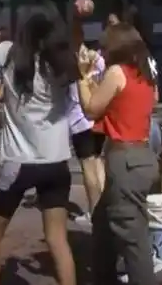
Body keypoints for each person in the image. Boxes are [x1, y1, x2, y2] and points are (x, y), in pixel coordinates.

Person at [0, 5, 78, 285]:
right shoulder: (62, 62)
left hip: (18, 161)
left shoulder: (6, 54)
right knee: (58, 239)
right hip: (57, 160)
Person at [76, 23, 159, 285]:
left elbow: (91, 109)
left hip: (125, 158)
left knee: (132, 236)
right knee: (103, 223)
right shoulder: (145, 74)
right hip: (142, 155)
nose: (102, 49)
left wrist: (81, 76)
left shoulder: (117, 72)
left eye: (105, 45)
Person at [69, 45, 106, 224]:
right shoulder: (96, 68)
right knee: (98, 163)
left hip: (80, 123)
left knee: (89, 168)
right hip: (96, 121)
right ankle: (102, 210)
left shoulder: (75, 72)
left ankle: (95, 212)